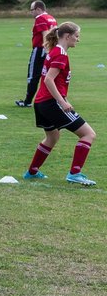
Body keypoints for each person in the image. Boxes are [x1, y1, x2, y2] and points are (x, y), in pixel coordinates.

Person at [24, 22, 96, 185]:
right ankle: (74, 174)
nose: (78, 40)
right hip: (51, 103)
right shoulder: (60, 54)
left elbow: (53, 80)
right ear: (67, 36)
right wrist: (62, 102)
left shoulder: (55, 50)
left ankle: (32, 172)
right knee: (88, 134)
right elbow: (49, 79)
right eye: (77, 36)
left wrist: (62, 98)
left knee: (52, 137)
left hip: (41, 103)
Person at [16, 0, 57, 108]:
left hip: (40, 49)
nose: (31, 13)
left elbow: (45, 34)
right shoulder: (51, 17)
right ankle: (55, 100)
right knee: (49, 76)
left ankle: (28, 101)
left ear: (38, 9)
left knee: (33, 75)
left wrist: (46, 49)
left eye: (32, 10)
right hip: (52, 49)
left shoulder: (40, 18)